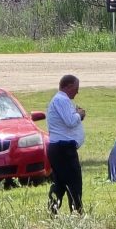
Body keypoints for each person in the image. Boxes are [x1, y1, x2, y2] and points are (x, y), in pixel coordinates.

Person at [47, 75, 86, 215]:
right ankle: (77, 211)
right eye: (76, 88)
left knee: (61, 183)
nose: (77, 92)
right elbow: (70, 121)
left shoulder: (61, 100)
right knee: (74, 182)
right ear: (68, 86)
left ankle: (53, 210)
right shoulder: (61, 99)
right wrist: (79, 114)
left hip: (59, 148)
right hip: (63, 148)